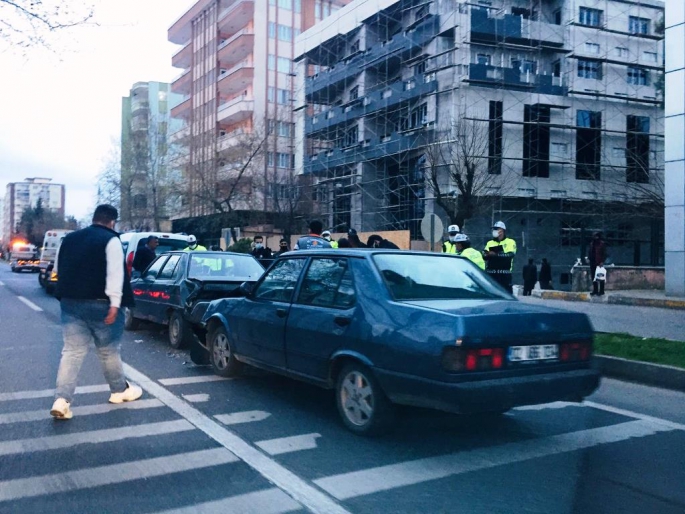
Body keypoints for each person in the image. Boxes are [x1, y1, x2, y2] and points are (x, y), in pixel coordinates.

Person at [50, 205, 142, 420]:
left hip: (71, 303)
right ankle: (119, 391)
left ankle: (61, 401)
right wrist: (115, 304)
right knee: (108, 351)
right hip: (102, 304)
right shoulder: (110, 240)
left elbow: (57, 270)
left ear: (94, 218)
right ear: (112, 221)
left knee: (72, 352)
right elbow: (115, 274)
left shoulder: (69, 239)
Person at [483, 221, 517, 294]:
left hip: (504, 274)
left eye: (496, 229)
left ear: (502, 231)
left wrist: (495, 255)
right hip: (491, 274)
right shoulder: (490, 243)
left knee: (506, 295)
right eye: (494, 229)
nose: (494, 231)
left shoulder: (510, 242)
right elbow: (484, 255)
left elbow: (510, 255)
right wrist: (488, 254)